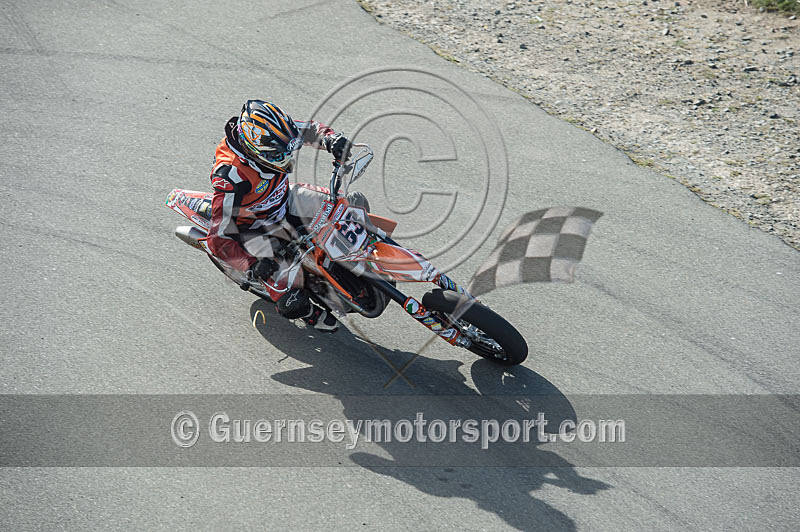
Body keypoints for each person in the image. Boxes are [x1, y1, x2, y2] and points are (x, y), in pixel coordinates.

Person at [207, 100, 353, 332]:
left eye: (288, 151)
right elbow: (218, 239)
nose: (286, 158)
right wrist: (250, 264)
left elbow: (308, 130)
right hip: (253, 227)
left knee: (348, 204)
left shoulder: (274, 131)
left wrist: (330, 139)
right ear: (255, 149)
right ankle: (310, 314)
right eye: (278, 155)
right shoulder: (231, 176)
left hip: (282, 198)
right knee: (291, 301)